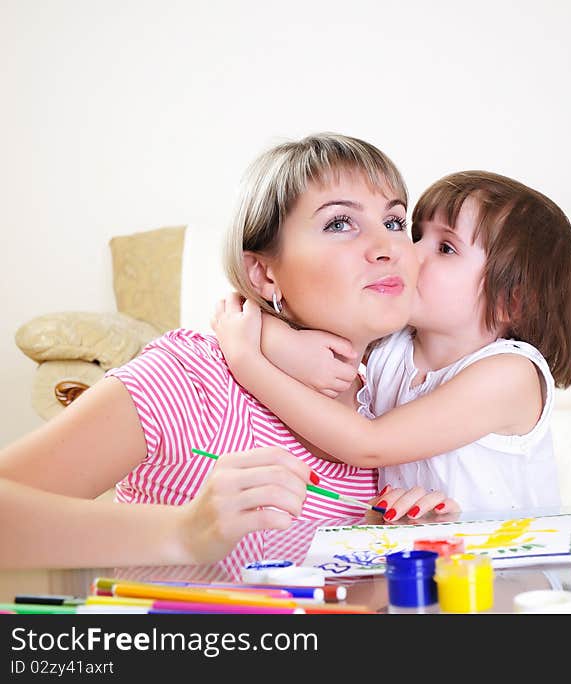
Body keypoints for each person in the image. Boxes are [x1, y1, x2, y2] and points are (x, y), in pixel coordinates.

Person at [0, 133, 455, 570]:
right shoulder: (188, 379)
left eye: (395, 222)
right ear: (263, 274)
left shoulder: (398, 395)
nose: (388, 248)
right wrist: (183, 532)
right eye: (340, 223)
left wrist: (394, 542)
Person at [212, 170, 571, 513]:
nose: (410, 251)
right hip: (419, 559)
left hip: (512, 571)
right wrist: (285, 345)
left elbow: (368, 444)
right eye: (416, 234)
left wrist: (250, 364)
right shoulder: (395, 343)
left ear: (511, 301)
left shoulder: (510, 374)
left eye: (445, 248)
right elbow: (248, 309)